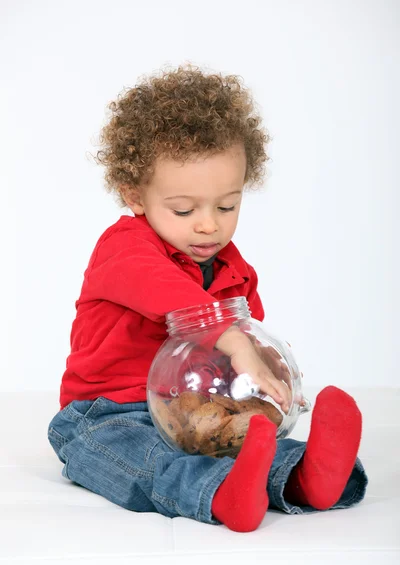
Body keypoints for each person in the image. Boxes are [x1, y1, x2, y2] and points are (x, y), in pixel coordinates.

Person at [48, 64, 368, 533]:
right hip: (107, 412)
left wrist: (267, 371)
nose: (208, 225)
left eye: (227, 206)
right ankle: (220, 495)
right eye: (184, 209)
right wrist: (236, 342)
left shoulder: (233, 269)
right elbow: (170, 294)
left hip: (196, 410)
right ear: (134, 194)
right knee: (142, 460)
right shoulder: (123, 249)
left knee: (253, 441)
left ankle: (306, 479)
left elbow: (245, 342)